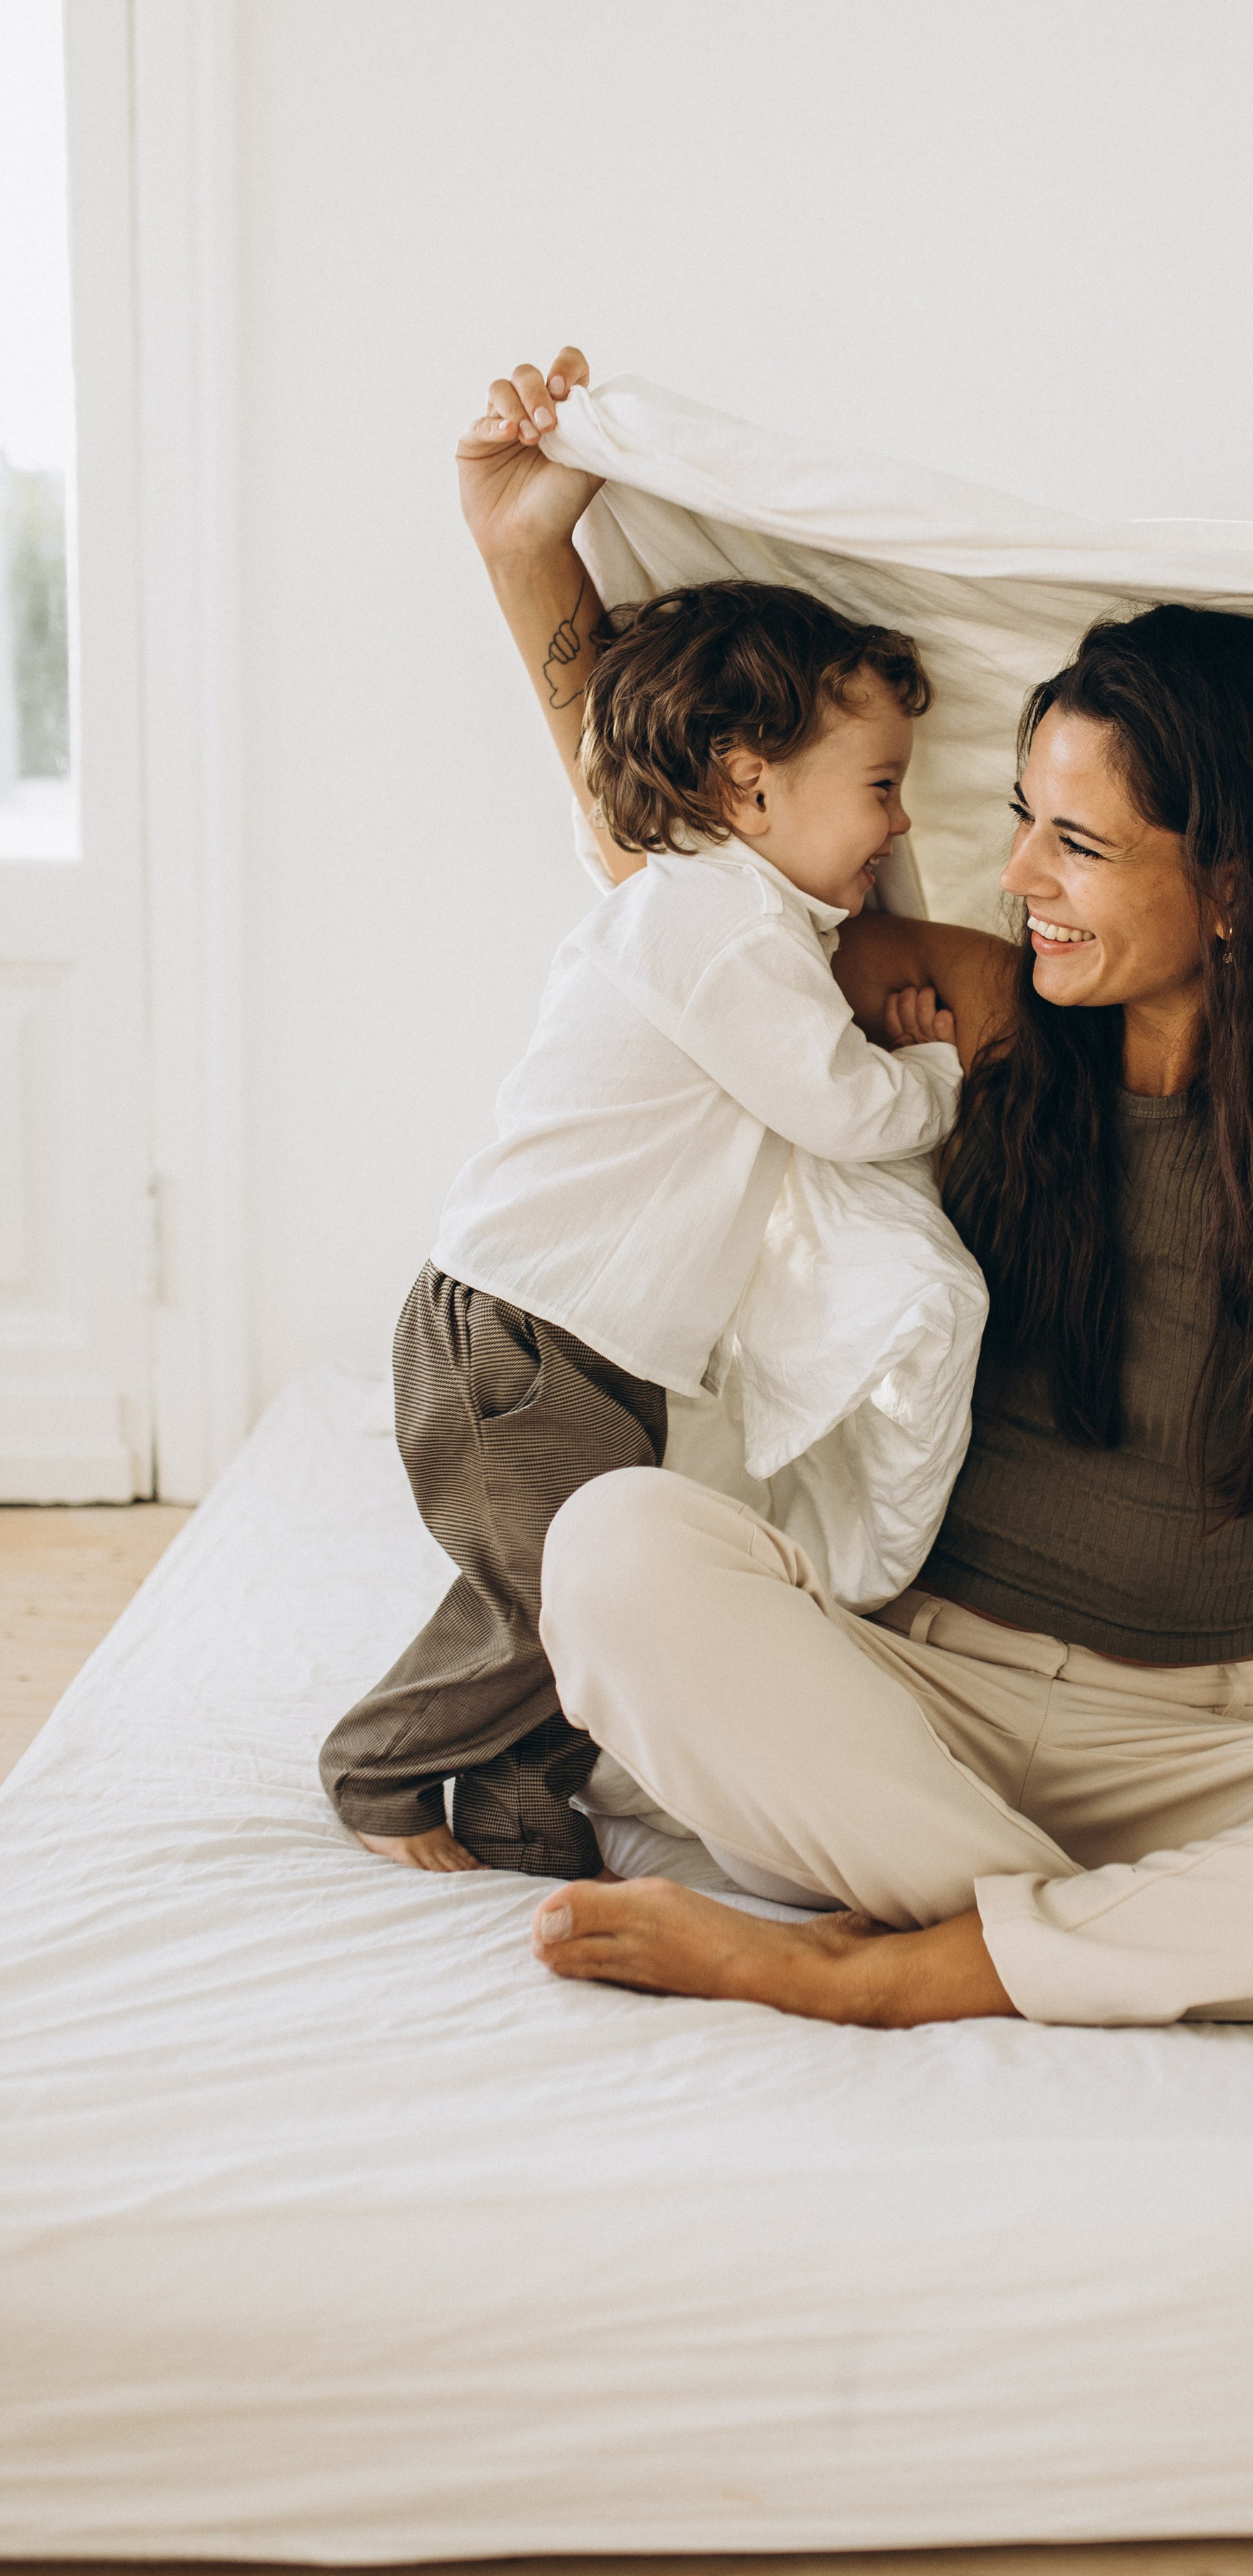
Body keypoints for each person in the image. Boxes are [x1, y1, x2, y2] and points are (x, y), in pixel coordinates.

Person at [468, 348, 1253, 2023]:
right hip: (905, 1700)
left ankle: (902, 1965)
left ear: (1233, 886)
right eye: (1024, 820)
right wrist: (528, 556)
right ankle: (1146, 1944)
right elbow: (680, 885)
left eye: (1076, 847)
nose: (1014, 873)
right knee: (616, 1548)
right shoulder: (996, 1027)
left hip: (1188, 1745)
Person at [318, 570, 963, 1877]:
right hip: (518, 1333)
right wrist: (940, 1073)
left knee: (581, 1586)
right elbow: (840, 1109)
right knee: (558, 1599)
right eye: (882, 785)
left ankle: (516, 1799)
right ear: (750, 784)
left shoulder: (745, 919)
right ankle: (378, 1764)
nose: (898, 825)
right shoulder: (714, 923)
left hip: (596, 1350)